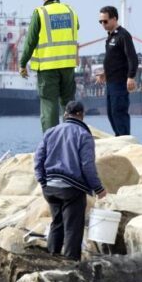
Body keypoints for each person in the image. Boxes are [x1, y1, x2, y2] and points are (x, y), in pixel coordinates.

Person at [34, 101, 106, 260]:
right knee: (73, 228)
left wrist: (42, 181)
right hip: (71, 189)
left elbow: (38, 159)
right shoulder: (83, 135)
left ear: (65, 114)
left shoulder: (50, 132)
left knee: (56, 223)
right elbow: (87, 166)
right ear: (81, 114)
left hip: (50, 188)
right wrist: (99, 189)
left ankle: (52, 258)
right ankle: (70, 264)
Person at [19, 0, 80, 132]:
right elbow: (77, 26)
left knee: (49, 104)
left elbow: (31, 41)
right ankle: (71, 136)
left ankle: (52, 141)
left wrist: (22, 63)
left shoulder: (40, 13)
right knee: (68, 103)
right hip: (67, 65)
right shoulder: (70, 10)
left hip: (47, 68)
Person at [97, 5, 138, 136]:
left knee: (119, 112)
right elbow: (115, 59)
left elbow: (132, 58)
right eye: (100, 21)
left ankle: (125, 138)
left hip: (120, 83)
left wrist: (131, 77)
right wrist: (105, 73)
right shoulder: (110, 36)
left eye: (105, 21)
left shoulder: (123, 35)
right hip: (110, 82)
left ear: (114, 19)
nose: (103, 24)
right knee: (111, 112)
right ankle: (118, 136)